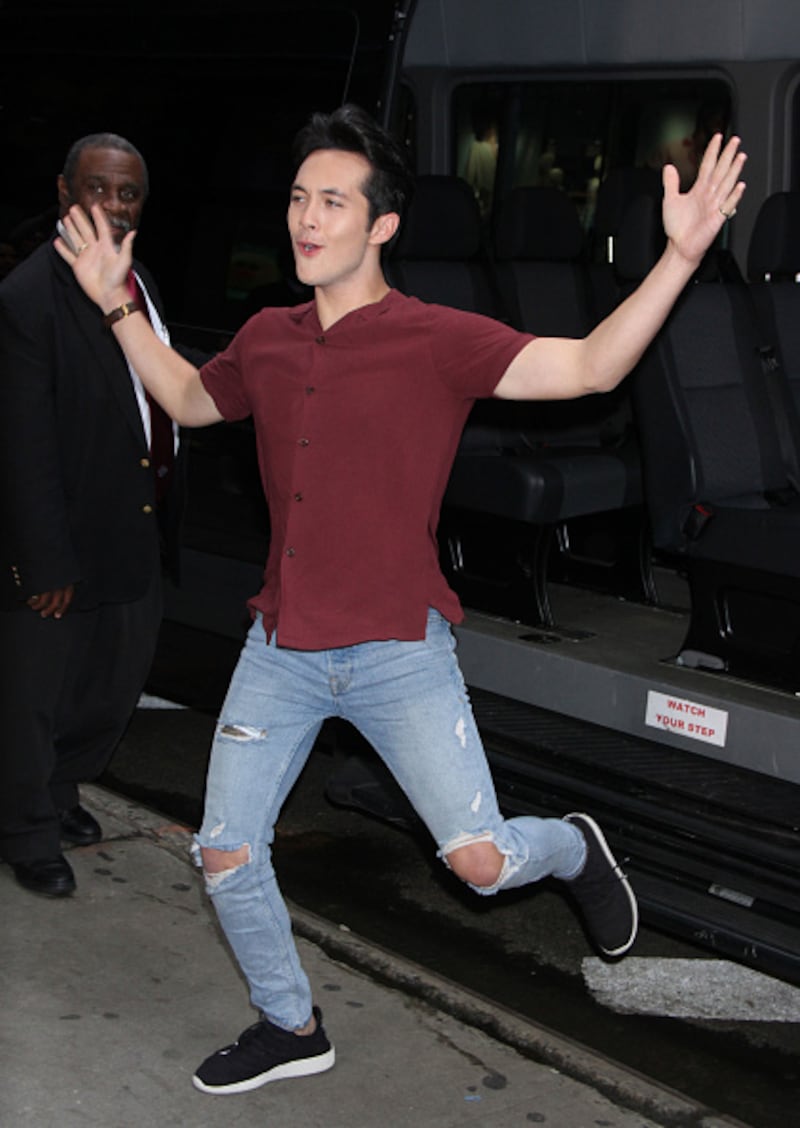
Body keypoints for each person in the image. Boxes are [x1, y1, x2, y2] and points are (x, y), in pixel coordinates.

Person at [55, 104, 746, 1095]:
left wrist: (677, 258)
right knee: (224, 851)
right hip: (281, 646)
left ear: (381, 224)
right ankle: (290, 1023)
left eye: (332, 202)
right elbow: (190, 400)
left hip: (395, 649)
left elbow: (592, 365)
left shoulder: (435, 338)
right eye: (299, 198)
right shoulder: (268, 335)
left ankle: (568, 846)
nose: (306, 218)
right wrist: (116, 302)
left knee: (479, 867)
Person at [0, 133, 181, 897]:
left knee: (106, 692)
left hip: (130, 525)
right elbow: (21, 444)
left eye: (128, 193)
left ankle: (58, 791)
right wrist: (43, 562)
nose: (113, 204)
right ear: (65, 192)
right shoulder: (27, 297)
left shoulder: (139, 281)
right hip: (59, 541)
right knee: (32, 701)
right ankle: (24, 830)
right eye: (97, 188)